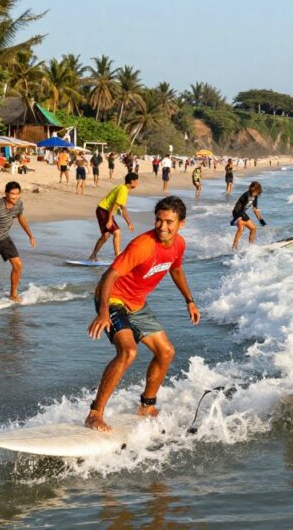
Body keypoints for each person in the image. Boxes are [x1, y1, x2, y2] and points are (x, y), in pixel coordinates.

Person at [85, 195, 199, 432]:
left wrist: (189, 300)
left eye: (169, 222)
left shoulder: (179, 244)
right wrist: (104, 311)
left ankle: (147, 405)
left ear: (181, 224)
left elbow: (176, 270)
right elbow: (110, 275)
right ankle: (95, 413)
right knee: (128, 351)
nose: (162, 227)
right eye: (159, 220)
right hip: (113, 298)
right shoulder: (143, 245)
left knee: (166, 352)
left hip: (136, 303)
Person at [89, 172, 138, 262]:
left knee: (106, 235)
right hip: (104, 210)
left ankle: (93, 256)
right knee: (117, 232)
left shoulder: (124, 189)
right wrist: (110, 220)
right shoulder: (123, 190)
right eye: (136, 181)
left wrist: (129, 223)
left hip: (103, 210)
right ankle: (118, 256)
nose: (137, 183)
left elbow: (123, 209)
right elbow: (114, 207)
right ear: (132, 181)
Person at [230, 181, 266, 250]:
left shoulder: (255, 197)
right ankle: (234, 248)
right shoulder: (247, 195)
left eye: (257, 191)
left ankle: (250, 247)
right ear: (252, 189)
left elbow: (255, 210)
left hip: (242, 213)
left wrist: (261, 220)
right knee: (241, 229)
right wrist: (238, 217)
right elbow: (242, 207)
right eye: (255, 191)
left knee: (253, 228)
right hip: (237, 212)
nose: (256, 193)